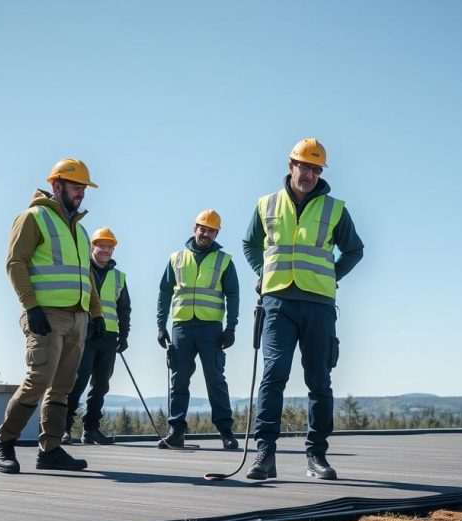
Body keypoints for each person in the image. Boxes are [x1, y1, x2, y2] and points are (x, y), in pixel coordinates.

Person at [242, 138, 364, 480]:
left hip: (318, 305)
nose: (309, 174)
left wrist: (331, 276)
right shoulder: (266, 204)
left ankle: (317, 456)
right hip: (277, 303)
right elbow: (250, 243)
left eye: (315, 168)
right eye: (303, 166)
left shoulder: (335, 208)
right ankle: (265, 455)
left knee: (319, 380)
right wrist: (262, 273)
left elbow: (354, 250)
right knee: (273, 375)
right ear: (290, 165)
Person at [0, 158, 106, 474]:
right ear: (56, 186)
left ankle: (51, 450)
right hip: (45, 316)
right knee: (38, 379)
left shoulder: (81, 232)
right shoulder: (33, 218)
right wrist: (31, 307)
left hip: (77, 318)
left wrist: (95, 314)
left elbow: (86, 275)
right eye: (76, 186)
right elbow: (15, 263)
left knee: (63, 387)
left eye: (84, 187)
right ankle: (4, 443)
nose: (81, 192)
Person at [156, 210, 240, 450]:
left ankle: (226, 432)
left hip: (211, 329)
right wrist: (161, 325)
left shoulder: (224, 261)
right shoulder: (177, 258)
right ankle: (176, 431)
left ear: (217, 233)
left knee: (215, 379)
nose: (206, 233)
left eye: (211, 230)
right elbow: (164, 291)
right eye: (202, 228)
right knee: (179, 378)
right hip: (182, 327)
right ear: (194, 229)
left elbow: (233, 293)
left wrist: (232, 326)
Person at [63, 227, 130, 445]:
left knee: (101, 385)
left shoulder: (119, 277)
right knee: (77, 382)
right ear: (93, 246)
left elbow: (124, 309)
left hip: (109, 337)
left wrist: (124, 335)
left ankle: (91, 429)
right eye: (102, 245)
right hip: (84, 333)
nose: (106, 250)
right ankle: (63, 428)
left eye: (110, 247)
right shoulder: (81, 270)